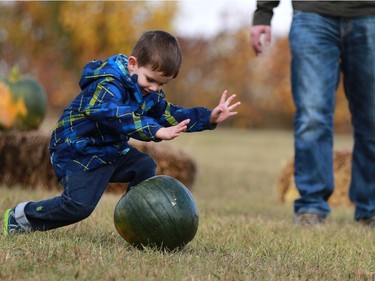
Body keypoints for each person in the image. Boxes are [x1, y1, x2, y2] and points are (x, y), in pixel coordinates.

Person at [3, 30, 240, 235]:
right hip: (78, 151)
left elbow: (168, 113)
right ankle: (22, 216)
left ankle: (137, 221)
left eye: (162, 84)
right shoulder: (107, 84)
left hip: (110, 151)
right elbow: (117, 116)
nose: (155, 89)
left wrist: (208, 117)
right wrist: (156, 131)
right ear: (133, 63)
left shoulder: (147, 91)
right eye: (151, 79)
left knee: (144, 166)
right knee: (78, 207)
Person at [250, 1, 375, 226]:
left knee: (372, 118)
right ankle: (311, 207)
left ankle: (371, 208)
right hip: (312, 14)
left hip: (369, 13)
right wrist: (263, 12)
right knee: (312, 115)